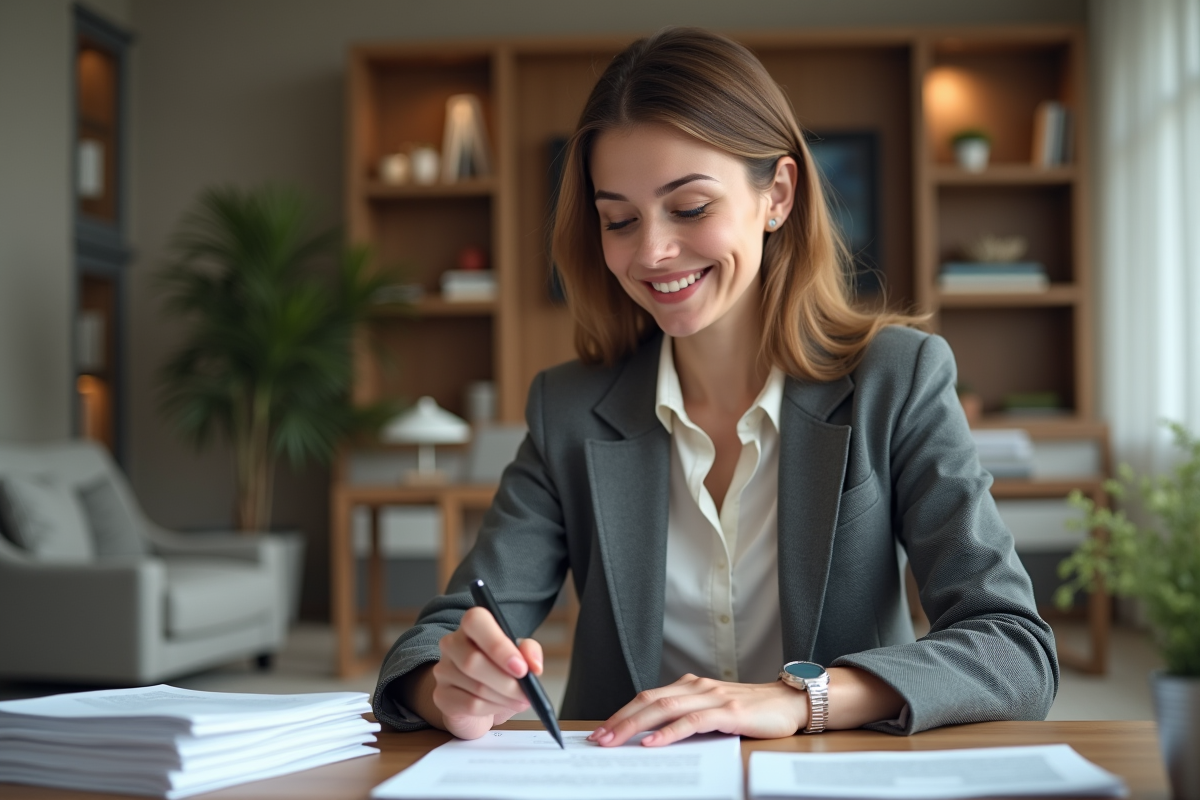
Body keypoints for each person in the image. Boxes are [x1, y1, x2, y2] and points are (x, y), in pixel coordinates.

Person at [372, 27, 1058, 745]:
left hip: (831, 778)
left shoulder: (898, 378)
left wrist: (801, 699)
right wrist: (448, 682)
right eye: (619, 220)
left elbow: (1014, 647)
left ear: (779, 195)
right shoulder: (568, 409)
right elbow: (438, 638)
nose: (652, 252)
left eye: (690, 207)